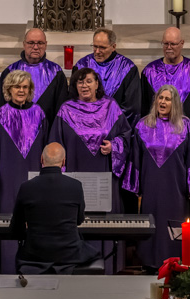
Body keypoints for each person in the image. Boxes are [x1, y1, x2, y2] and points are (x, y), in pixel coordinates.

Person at [0, 70, 48, 274]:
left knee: (35, 220)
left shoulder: (39, 113)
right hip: (6, 179)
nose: (21, 90)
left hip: (35, 177)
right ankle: (7, 269)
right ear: (9, 89)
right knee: (7, 220)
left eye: (25, 87)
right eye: (17, 87)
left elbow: (47, 147)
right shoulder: (0, 115)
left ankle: (34, 269)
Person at [124, 84, 190, 271]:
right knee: (152, 224)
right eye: (160, 98)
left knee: (174, 226)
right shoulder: (143, 125)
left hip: (176, 190)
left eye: (167, 99)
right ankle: (149, 263)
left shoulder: (186, 126)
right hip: (151, 188)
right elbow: (136, 157)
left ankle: (175, 263)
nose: (162, 102)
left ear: (175, 103)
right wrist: (136, 186)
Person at [49, 67, 131, 213]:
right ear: (75, 86)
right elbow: (55, 142)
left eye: (89, 81)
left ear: (97, 84)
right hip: (74, 171)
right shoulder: (66, 110)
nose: (84, 85)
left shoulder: (111, 106)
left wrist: (114, 146)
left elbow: (126, 135)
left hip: (104, 171)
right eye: (80, 82)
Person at [10, 143, 101, 274]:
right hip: (70, 254)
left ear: (41, 159)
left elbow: (16, 228)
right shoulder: (75, 186)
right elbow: (79, 220)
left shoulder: (26, 187)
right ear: (63, 162)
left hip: (35, 255)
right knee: (94, 253)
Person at [0, 28, 69, 119]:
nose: (35, 47)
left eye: (40, 43)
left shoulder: (56, 72)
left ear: (46, 45)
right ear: (24, 45)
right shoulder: (10, 71)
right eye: (31, 43)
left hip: (47, 126)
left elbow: (61, 111)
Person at [141, 27, 190, 127]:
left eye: (173, 44)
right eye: (165, 43)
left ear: (182, 43)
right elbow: (144, 110)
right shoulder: (150, 72)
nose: (169, 47)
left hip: (189, 133)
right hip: (157, 132)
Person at [73, 28, 142, 125]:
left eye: (102, 47)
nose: (97, 51)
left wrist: (108, 126)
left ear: (113, 47)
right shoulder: (82, 65)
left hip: (114, 127)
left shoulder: (127, 68)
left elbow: (131, 107)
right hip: (85, 125)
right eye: (95, 46)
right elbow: (73, 100)